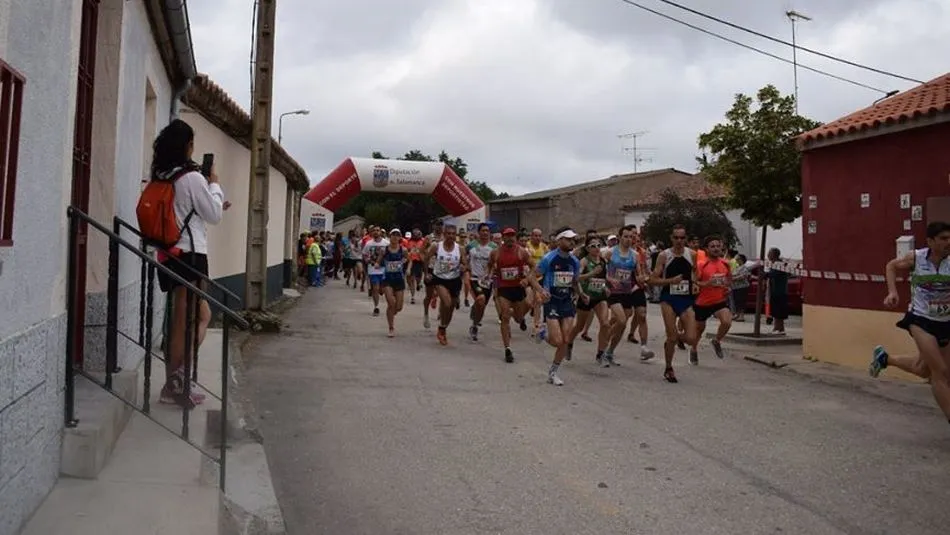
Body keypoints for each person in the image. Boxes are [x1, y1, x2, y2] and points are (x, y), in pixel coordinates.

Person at [151, 119, 229, 408]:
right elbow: (214, 215)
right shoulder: (194, 178)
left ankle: (176, 381)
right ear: (187, 146)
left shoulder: (163, 174)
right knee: (190, 321)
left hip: (171, 254)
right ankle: (174, 384)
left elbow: (184, 210)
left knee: (190, 318)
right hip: (191, 255)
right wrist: (216, 186)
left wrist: (208, 199)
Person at [870, 221, 950, 425]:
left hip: (945, 321)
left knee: (924, 369)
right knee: (939, 372)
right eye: (943, 239)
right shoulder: (917, 258)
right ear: (931, 241)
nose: (948, 242)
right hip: (920, 320)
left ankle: (885, 358)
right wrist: (892, 291)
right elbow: (891, 266)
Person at [534, 228, 586, 386]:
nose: (572, 242)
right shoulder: (549, 258)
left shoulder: (574, 261)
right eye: (568, 239)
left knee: (565, 339)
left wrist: (582, 294)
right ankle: (542, 334)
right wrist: (542, 290)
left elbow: (575, 281)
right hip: (552, 301)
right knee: (557, 341)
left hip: (567, 301)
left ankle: (553, 372)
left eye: (573, 240)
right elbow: (531, 277)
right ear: (559, 241)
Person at [651, 224, 699, 382]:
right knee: (671, 337)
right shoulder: (664, 256)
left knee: (692, 338)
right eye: (676, 237)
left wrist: (697, 284)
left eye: (682, 237)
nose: (679, 240)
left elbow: (695, 274)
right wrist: (671, 280)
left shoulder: (692, 254)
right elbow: (653, 279)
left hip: (686, 298)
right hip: (668, 299)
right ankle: (669, 368)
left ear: (686, 239)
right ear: (671, 238)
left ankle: (676, 338)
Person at [602, 225, 654, 365]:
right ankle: (603, 345)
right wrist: (609, 279)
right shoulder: (610, 253)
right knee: (621, 320)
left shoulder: (635, 255)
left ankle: (609, 351)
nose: (628, 239)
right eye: (625, 236)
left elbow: (637, 274)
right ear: (620, 237)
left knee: (622, 326)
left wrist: (643, 279)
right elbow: (600, 270)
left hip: (627, 292)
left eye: (631, 237)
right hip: (613, 291)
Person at [488, 227, 535, 362]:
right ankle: (507, 349)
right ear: (503, 237)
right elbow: (490, 265)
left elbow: (533, 265)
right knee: (505, 315)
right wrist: (488, 275)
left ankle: (521, 319)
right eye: (507, 236)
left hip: (518, 287)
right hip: (504, 288)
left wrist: (527, 279)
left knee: (518, 318)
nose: (510, 238)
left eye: (512, 236)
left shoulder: (521, 252)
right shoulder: (496, 253)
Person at [568, 237, 611, 363]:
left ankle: (600, 353)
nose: (597, 247)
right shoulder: (584, 262)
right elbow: (576, 279)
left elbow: (603, 278)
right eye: (593, 246)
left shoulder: (603, 261)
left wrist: (606, 287)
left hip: (599, 297)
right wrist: (591, 274)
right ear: (587, 249)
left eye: (599, 245)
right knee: (579, 327)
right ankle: (569, 343)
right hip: (586, 297)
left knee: (605, 323)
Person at [424, 223, 468, 345]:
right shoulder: (436, 246)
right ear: (444, 234)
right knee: (447, 302)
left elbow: (464, 263)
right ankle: (442, 326)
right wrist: (427, 273)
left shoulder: (460, 248)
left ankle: (442, 328)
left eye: (453, 234)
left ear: (456, 236)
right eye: (448, 233)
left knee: (451, 307)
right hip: (439, 278)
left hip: (454, 279)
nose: (451, 236)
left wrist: (464, 267)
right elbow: (426, 258)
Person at [691, 235, 733, 361]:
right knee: (699, 330)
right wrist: (706, 284)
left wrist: (728, 287)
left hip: (719, 300)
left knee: (727, 321)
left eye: (718, 246)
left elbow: (728, 279)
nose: (716, 249)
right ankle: (693, 349)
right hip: (702, 302)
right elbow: (694, 282)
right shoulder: (701, 264)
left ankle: (716, 340)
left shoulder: (726, 263)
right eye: (712, 246)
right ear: (706, 249)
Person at [466, 223, 497, 341]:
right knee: (481, 299)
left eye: (487, 231)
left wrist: (490, 274)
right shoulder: (471, 246)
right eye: (483, 230)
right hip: (474, 278)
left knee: (482, 306)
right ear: (479, 232)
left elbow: (495, 263)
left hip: (487, 280)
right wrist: (466, 267)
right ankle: (475, 318)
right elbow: (464, 257)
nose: (485, 233)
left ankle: (474, 325)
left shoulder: (494, 247)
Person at [378, 229, 409, 337]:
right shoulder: (384, 250)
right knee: (391, 303)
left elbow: (409, 260)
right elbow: (379, 261)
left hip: (399, 279)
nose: (395, 237)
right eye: (393, 235)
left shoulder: (403, 250)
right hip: (387, 279)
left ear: (400, 238)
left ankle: (392, 312)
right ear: (389, 236)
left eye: (397, 235)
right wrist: (377, 264)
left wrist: (408, 267)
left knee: (398, 307)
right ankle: (391, 327)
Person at [525, 228, 548, 337]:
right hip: (528, 277)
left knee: (538, 300)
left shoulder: (544, 247)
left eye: (539, 236)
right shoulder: (527, 246)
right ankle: (528, 311)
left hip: (539, 278)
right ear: (531, 236)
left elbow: (547, 259)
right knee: (529, 302)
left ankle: (536, 326)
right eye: (535, 236)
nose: (538, 238)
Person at [421, 220, 444, 329]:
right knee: (429, 295)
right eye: (437, 225)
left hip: (443, 269)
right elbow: (421, 251)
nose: (439, 227)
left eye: (441, 225)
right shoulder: (428, 238)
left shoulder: (446, 237)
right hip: (430, 268)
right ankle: (426, 314)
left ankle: (441, 312)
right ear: (434, 226)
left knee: (443, 293)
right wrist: (425, 260)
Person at [362, 227, 389, 317]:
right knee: (375, 289)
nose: (376, 232)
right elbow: (364, 254)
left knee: (382, 289)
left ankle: (381, 291)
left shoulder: (386, 243)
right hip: (373, 270)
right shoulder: (368, 243)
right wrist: (367, 260)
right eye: (374, 231)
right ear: (371, 232)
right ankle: (376, 307)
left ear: (380, 232)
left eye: (378, 230)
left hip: (384, 270)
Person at [765, 247, 789, 335]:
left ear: (774, 255)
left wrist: (764, 275)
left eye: (769, 253)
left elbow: (773, 275)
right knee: (775, 310)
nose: (768, 255)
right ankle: (776, 328)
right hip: (774, 291)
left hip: (780, 291)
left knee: (779, 311)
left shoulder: (779, 264)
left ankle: (780, 329)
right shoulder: (773, 264)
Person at [406, 227, 426, 305]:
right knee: (411, 279)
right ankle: (413, 297)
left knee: (418, 278)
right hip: (411, 261)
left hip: (419, 262)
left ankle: (418, 283)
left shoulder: (423, 241)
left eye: (417, 234)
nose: (416, 235)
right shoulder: (409, 241)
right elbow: (407, 251)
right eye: (414, 234)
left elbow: (426, 251)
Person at [730, 253, 751, 321]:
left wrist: (733, 278)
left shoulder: (744, 267)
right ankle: (737, 314)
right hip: (735, 287)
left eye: (737, 259)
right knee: (736, 301)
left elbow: (743, 276)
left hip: (742, 287)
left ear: (741, 260)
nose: (736, 260)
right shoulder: (737, 267)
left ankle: (741, 316)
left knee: (741, 301)